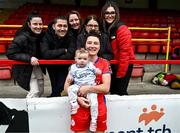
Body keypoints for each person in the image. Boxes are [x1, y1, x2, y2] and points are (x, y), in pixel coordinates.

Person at [64, 31, 112, 133]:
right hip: (80, 103)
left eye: (96, 43)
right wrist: (77, 98)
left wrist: (88, 88)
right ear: (85, 44)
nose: (92, 46)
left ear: (100, 46)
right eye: (89, 43)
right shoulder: (76, 65)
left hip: (98, 103)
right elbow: (66, 87)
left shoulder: (104, 63)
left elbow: (106, 88)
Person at [6, 11, 45, 98]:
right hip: (24, 66)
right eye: (35, 24)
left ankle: (37, 108)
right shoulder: (22, 36)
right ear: (29, 24)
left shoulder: (42, 35)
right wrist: (29, 58)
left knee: (41, 88)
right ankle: (30, 110)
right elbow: (10, 53)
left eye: (40, 24)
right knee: (35, 92)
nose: (38, 27)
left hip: (36, 65)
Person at [101, 1, 135, 95]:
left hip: (124, 65)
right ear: (103, 14)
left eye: (112, 13)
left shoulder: (122, 28)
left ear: (116, 14)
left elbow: (125, 53)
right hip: (113, 64)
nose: (109, 15)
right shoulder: (104, 27)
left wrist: (120, 74)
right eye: (107, 13)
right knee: (113, 91)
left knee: (120, 91)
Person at [65, 48, 102, 132]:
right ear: (75, 59)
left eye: (85, 59)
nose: (82, 61)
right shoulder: (73, 67)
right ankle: (74, 104)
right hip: (78, 86)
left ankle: (94, 120)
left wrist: (97, 71)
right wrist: (70, 77)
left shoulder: (90, 65)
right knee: (70, 89)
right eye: (80, 58)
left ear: (88, 59)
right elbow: (71, 75)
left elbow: (95, 70)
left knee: (94, 102)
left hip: (90, 87)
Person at [41, 16, 76, 97]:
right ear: (54, 26)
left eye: (65, 26)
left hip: (65, 66)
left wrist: (52, 56)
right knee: (55, 86)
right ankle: (54, 96)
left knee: (61, 86)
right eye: (59, 25)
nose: (62, 28)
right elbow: (45, 54)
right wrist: (63, 50)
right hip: (51, 66)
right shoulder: (47, 36)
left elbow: (70, 55)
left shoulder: (71, 36)